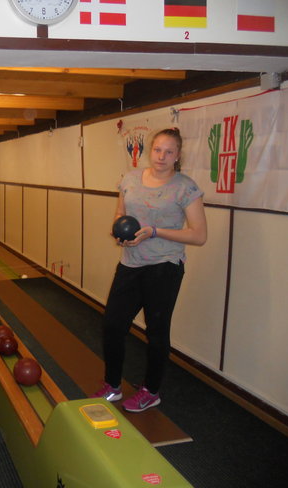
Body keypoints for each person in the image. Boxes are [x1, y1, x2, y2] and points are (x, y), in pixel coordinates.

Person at [92, 128, 207, 413]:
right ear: (150, 150)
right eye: (157, 150)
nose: (161, 156)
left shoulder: (186, 188)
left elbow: (199, 235)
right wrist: (119, 232)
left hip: (164, 267)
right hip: (130, 263)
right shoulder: (130, 179)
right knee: (113, 325)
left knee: (156, 332)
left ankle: (151, 391)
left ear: (177, 156)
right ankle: (113, 385)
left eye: (169, 152)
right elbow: (120, 214)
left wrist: (154, 231)